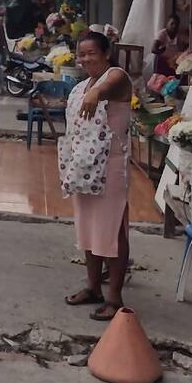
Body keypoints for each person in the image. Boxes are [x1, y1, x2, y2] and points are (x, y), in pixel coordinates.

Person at [63, 31, 133, 321]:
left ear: (106, 54)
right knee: (89, 230)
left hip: (111, 168)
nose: (86, 59)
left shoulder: (117, 78)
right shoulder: (82, 85)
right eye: (82, 54)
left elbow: (111, 84)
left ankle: (114, 298)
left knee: (112, 230)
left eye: (92, 53)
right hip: (84, 170)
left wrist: (96, 93)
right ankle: (93, 287)